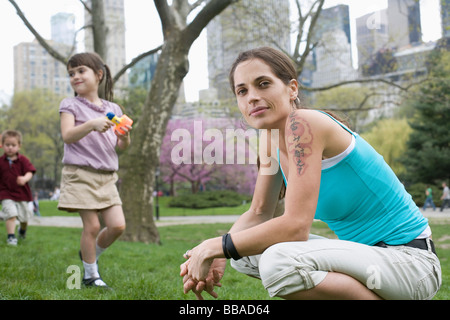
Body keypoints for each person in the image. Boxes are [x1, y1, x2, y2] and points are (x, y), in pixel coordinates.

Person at [180, 47, 441, 300]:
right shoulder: (270, 140)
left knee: (277, 261)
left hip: (411, 264)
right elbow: (258, 213)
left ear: (292, 88)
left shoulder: (304, 124)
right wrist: (218, 253)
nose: (252, 97)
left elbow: (296, 227)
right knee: (245, 256)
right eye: (242, 90)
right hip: (367, 260)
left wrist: (217, 246)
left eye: (263, 84)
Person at [58, 52, 131, 288]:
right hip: (79, 173)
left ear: (98, 75)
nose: (75, 76)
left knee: (118, 225)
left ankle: (90, 256)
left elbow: (121, 146)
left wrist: (125, 137)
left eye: (81, 71)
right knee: (92, 226)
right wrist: (91, 124)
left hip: (107, 177)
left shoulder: (114, 108)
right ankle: (90, 276)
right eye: (71, 73)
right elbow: (67, 136)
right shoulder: (70, 105)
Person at [0, 130, 36, 246]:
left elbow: (30, 171)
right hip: (5, 193)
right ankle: (11, 237)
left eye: (13, 145)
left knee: (24, 218)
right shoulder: (0, 161)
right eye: (7, 145)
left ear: (19, 146)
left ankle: (22, 230)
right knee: (11, 214)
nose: (10, 148)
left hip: (21, 194)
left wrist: (25, 178)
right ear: (2, 145)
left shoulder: (23, 160)